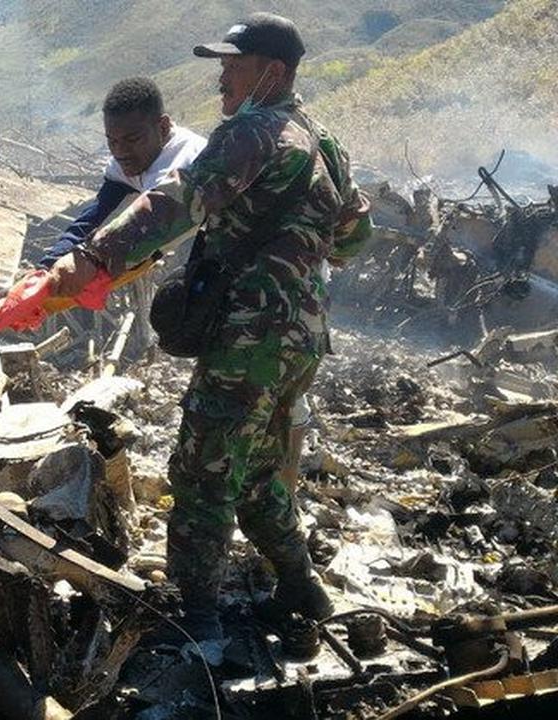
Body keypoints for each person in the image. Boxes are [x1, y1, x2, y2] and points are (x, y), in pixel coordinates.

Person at [51, 13, 372, 643]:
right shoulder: (324, 140)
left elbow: (178, 200)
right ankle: (302, 586)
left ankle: (192, 618)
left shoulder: (254, 130)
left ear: (271, 72)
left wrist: (92, 258)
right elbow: (354, 236)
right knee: (252, 470)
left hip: (251, 336)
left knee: (201, 472)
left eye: (233, 64)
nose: (221, 75)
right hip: (301, 335)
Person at [38, 77, 206, 268]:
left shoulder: (185, 165)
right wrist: (44, 268)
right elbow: (91, 219)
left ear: (163, 127)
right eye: (112, 141)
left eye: (132, 139)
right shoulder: (132, 161)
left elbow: (148, 233)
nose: (120, 152)